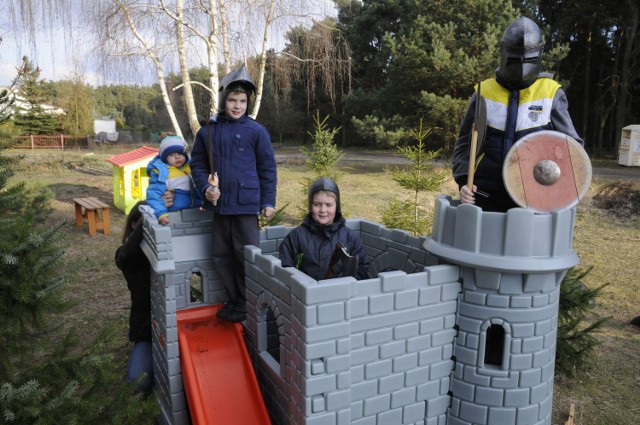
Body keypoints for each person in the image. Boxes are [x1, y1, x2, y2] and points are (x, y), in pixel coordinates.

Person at [452, 16, 583, 212]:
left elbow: (573, 150)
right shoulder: (483, 92)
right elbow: (465, 142)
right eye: (515, 58)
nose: (521, 65)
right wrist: (463, 180)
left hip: (533, 198)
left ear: (539, 54)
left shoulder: (551, 94)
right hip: (485, 194)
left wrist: (558, 189)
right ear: (503, 53)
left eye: (528, 58)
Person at [190, 65, 277, 323]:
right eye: (232, 100)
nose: (237, 105)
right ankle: (236, 300)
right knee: (222, 255)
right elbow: (197, 165)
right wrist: (207, 188)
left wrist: (268, 201)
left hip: (247, 206)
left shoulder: (256, 131)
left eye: (242, 101)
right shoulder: (208, 130)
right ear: (222, 100)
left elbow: (267, 167)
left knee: (246, 256)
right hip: (220, 206)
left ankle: (248, 302)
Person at [279, 177, 370, 281]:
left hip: (341, 294)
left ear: (337, 207)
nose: (323, 210)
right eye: (317, 204)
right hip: (306, 294)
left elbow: (362, 270)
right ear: (310, 205)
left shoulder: (350, 237)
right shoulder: (296, 237)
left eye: (329, 205)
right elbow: (285, 269)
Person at [115, 200, 153, 393]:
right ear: (133, 225)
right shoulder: (124, 255)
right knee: (138, 383)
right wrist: (149, 220)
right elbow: (127, 256)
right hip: (147, 331)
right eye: (143, 225)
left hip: (179, 329)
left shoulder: (167, 251)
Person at [146, 135, 203, 225]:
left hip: (197, 212)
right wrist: (161, 213)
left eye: (180, 153)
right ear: (165, 158)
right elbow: (154, 194)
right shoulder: (162, 172)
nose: (177, 157)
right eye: (171, 155)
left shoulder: (193, 166)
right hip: (174, 214)